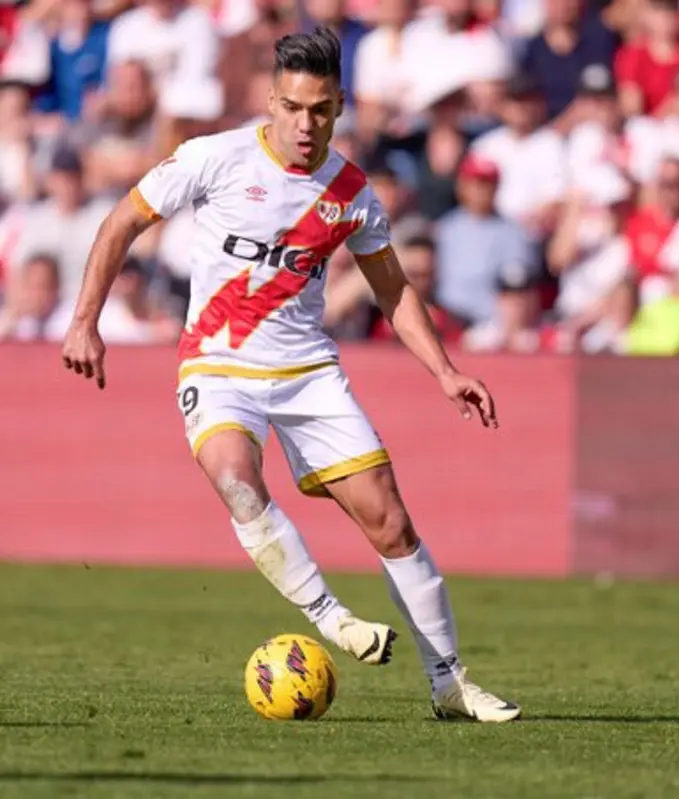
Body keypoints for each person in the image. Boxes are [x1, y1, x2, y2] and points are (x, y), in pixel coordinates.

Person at [59, 26, 521, 724]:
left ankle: (450, 682)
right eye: (295, 108)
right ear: (272, 101)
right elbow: (123, 221)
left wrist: (446, 371)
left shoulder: (351, 191)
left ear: (339, 106)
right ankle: (334, 620)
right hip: (217, 364)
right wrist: (84, 319)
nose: (307, 125)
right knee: (238, 483)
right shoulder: (213, 158)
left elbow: (393, 291)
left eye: (323, 111)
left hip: (307, 370)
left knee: (391, 523)